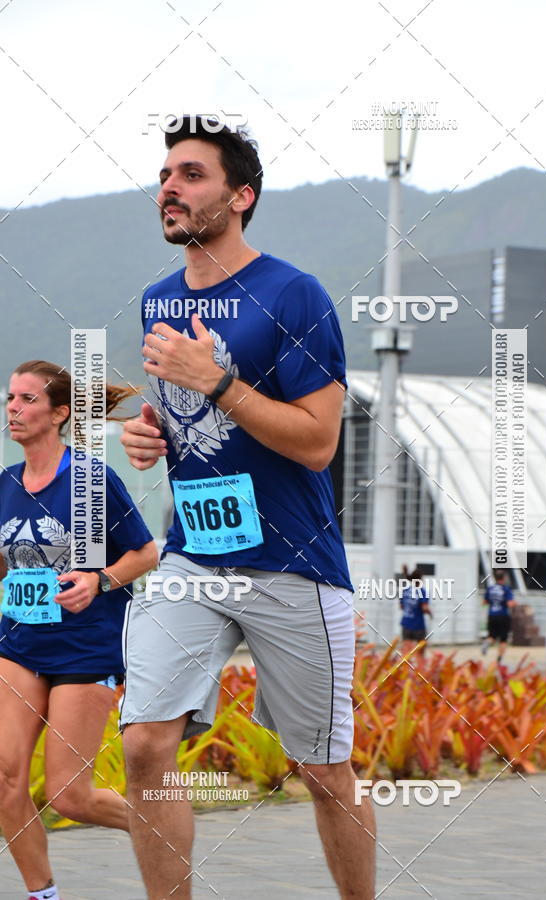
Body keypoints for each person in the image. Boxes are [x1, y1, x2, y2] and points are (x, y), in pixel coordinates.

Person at [119, 116, 375, 899]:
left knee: (325, 773)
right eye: (166, 174)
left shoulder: (293, 294)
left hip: (293, 563)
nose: (170, 186)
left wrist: (217, 383)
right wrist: (151, 428)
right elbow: (190, 417)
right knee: (145, 747)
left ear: (240, 196)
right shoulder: (158, 300)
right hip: (193, 556)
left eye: (192, 175)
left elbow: (316, 443)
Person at [0, 360, 157, 900]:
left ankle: (163, 828)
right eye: (10, 399)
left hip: (85, 648)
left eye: (26, 400)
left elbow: (145, 553)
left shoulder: (90, 481)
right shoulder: (4, 485)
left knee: (70, 796)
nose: (13, 409)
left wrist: (100, 580)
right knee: (4, 780)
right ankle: (42, 895)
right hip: (18, 644)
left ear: (59, 413)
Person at [481, 570, 515, 662]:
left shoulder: (490, 589)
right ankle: (499, 659)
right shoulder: (506, 589)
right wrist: (515, 603)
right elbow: (510, 604)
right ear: (504, 578)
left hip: (492, 615)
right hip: (503, 616)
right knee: (503, 639)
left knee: (492, 636)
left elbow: (484, 603)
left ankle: (487, 642)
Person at [399, 568, 432, 659]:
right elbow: (424, 608)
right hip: (418, 625)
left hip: (406, 623)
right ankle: (419, 669)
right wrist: (430, 613)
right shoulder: (422, 591)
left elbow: (401, 606)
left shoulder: (405, 590)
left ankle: (405, 670)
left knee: (406, 651)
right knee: (420, 651)